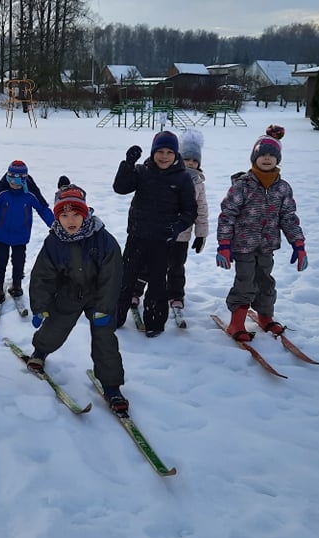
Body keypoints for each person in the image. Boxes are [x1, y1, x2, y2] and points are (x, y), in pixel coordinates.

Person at [27, 182, 128, 413]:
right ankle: (40, 351)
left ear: (85, 214)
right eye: (64, 215)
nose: (70, 220)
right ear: (57, 217)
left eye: (76, 214)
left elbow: (112, 276)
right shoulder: (54, 241)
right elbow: (42, 275)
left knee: (105, 338)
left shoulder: (103, 239)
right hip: (69, 292)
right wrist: (40, 306)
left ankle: (112, 386)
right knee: (55, 326)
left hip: (98, 295)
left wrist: (104, 306)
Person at [216, 134, 307, 340]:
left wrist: (298, 244)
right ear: (254, 158)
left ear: (278, 159)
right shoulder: (243, 185)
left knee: (266, 282)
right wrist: (224, 243)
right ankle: (237, 323)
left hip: (267, 246)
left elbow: (289, 217)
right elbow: (227, 214)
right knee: (245, 281)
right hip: (243, 245)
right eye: (262, 154)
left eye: (271, 155)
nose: (267, 158)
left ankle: (265, 316)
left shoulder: (283, 188)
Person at [112, 131, 198, 337]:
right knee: (126, 278)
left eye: (169, 152)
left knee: (158, 283)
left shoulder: (183, 178)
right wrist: (128, 164)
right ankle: (115, 316)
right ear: (153, 152)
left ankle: (155, 322)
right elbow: (120, 188)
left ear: (176, 154)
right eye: (160, 151)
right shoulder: (142, 171)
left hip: (162, 240)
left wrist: (176, 228)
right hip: (137, 236)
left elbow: (190, 211)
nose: (164, 156)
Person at [130, 130, 209, 311]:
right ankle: (135, 292)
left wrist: (201, 234)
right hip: (160, 233)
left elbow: (201, 210)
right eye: (187, 159)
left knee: (176, 267)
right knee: (147, 265)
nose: (190, 163)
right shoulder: (171, 176)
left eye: (194, 160)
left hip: (182, 236)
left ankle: (176, 295)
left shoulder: (198, 183)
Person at [0, 160, 53, 303]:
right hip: (2, 235)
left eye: (18, 181)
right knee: (0, 261)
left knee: (19, 261)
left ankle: (16, 285)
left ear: (24, 180)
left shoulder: (30, 192)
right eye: (11, 180)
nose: (14, 184)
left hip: (20, 236)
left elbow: (42, 208)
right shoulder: (1, 190)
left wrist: (54, 225)